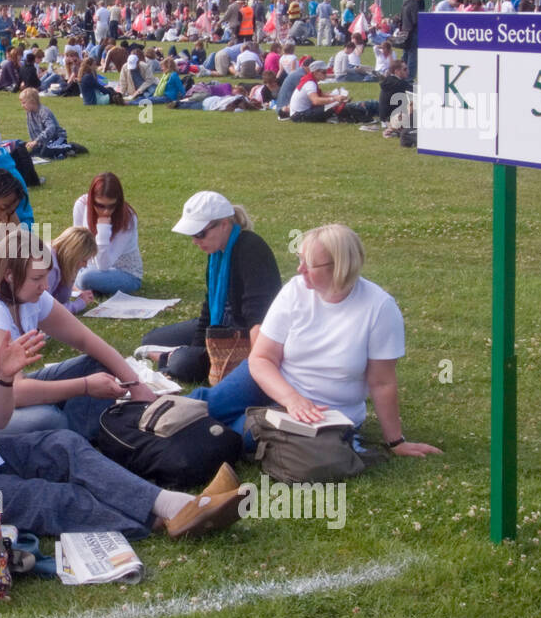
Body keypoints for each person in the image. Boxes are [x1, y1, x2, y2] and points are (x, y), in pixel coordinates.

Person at [0, 255, 246, 539]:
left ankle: (169, 504)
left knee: (63, 444)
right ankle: (162, 521)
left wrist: (4, 378)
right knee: (45, 498)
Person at [188, 224, 443, 465]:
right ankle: (151, 418)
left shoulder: (379, 308)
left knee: (228, 435)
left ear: (339, 267)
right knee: (201, 408)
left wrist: (396, 441)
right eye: (300, 260)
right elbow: (261, 358)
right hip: (271, 380)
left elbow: (382, 382)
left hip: (324, 412)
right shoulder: (296, 290)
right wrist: (291, 398)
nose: (300, 270)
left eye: (309, 264)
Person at [0, 228, 157, 440]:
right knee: (50, 419)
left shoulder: (29, 296)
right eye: (37, 278)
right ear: (10, 276)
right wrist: (86, 386)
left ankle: (82, 440)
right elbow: (14, 391)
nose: (45, 286)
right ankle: (72, 445)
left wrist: (136, 385)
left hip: (14, 389)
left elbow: (86, 339)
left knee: (100, 364)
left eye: (46, 276)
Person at [139, 192, 282, 384]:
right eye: (193, 235)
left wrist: (258, 363)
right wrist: (198, 346)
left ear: (224, 224)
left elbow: (257, 316)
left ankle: (171, 356)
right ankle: (178, 354)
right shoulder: (216, 253)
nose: (195, 241)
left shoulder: (251, 249)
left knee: (184, 364)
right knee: (151, 339)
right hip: (219, 324)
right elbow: (210, 304)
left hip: (243, 334)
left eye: (200, 234)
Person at [71, 173, 142, 296]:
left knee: (85, 278)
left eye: (111, 206)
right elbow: (77, 244)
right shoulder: (82, 205)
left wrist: (103, 228)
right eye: (100, 205)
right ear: (91, 200)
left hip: (125, 273)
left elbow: (103, 264)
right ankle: (80, 285)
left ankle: (75, 285)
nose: (106, 211)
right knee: (55, 267)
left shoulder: (128, 218)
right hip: (88, 267)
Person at [20, 88, 73, 158]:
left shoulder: (44, 112)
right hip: (44, 141)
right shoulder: (29, 113)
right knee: (32, 154)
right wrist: (34, 143)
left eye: (24, 103)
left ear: (32, 101)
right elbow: (32, 130)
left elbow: (51, 128)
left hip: (56, 138)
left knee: (45, 152)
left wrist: (37, 141)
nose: (22, 105)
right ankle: (61, 153)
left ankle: (70, 147)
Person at [399, 0, 425, 81]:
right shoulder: (414, 4)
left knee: (405, 55)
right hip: (413, 32)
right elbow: (415, 20)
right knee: (413, 56)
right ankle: (409, 78)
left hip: (405, 31)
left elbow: (400, 17)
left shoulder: (405, 2)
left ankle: (400, 75)